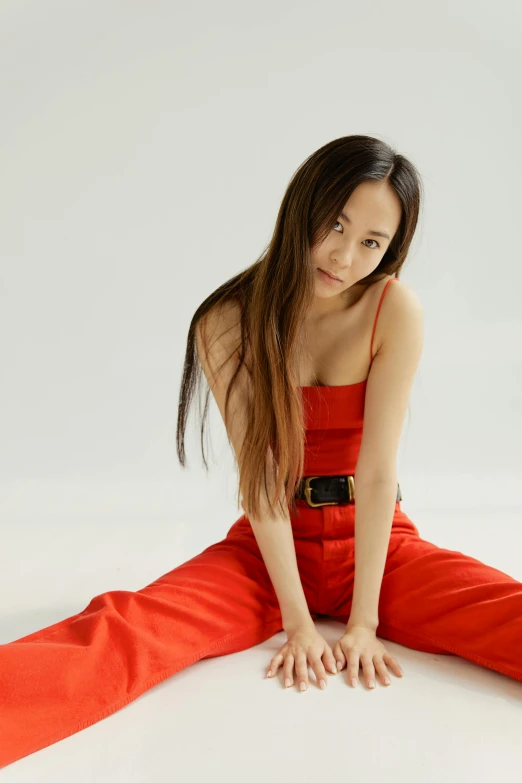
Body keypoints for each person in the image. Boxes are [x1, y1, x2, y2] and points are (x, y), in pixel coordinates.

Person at [2, 134, 521, 768]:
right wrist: (299, 623)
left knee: (508, 613)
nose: (343, 255)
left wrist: (363, 622)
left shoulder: (393, 309)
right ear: (302, 204)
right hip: (268, 549)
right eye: (335, 223)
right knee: (129, 629)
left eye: (371, 243)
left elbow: (380, 471)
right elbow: (262, 477)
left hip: (379, 545)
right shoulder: (226, 320)